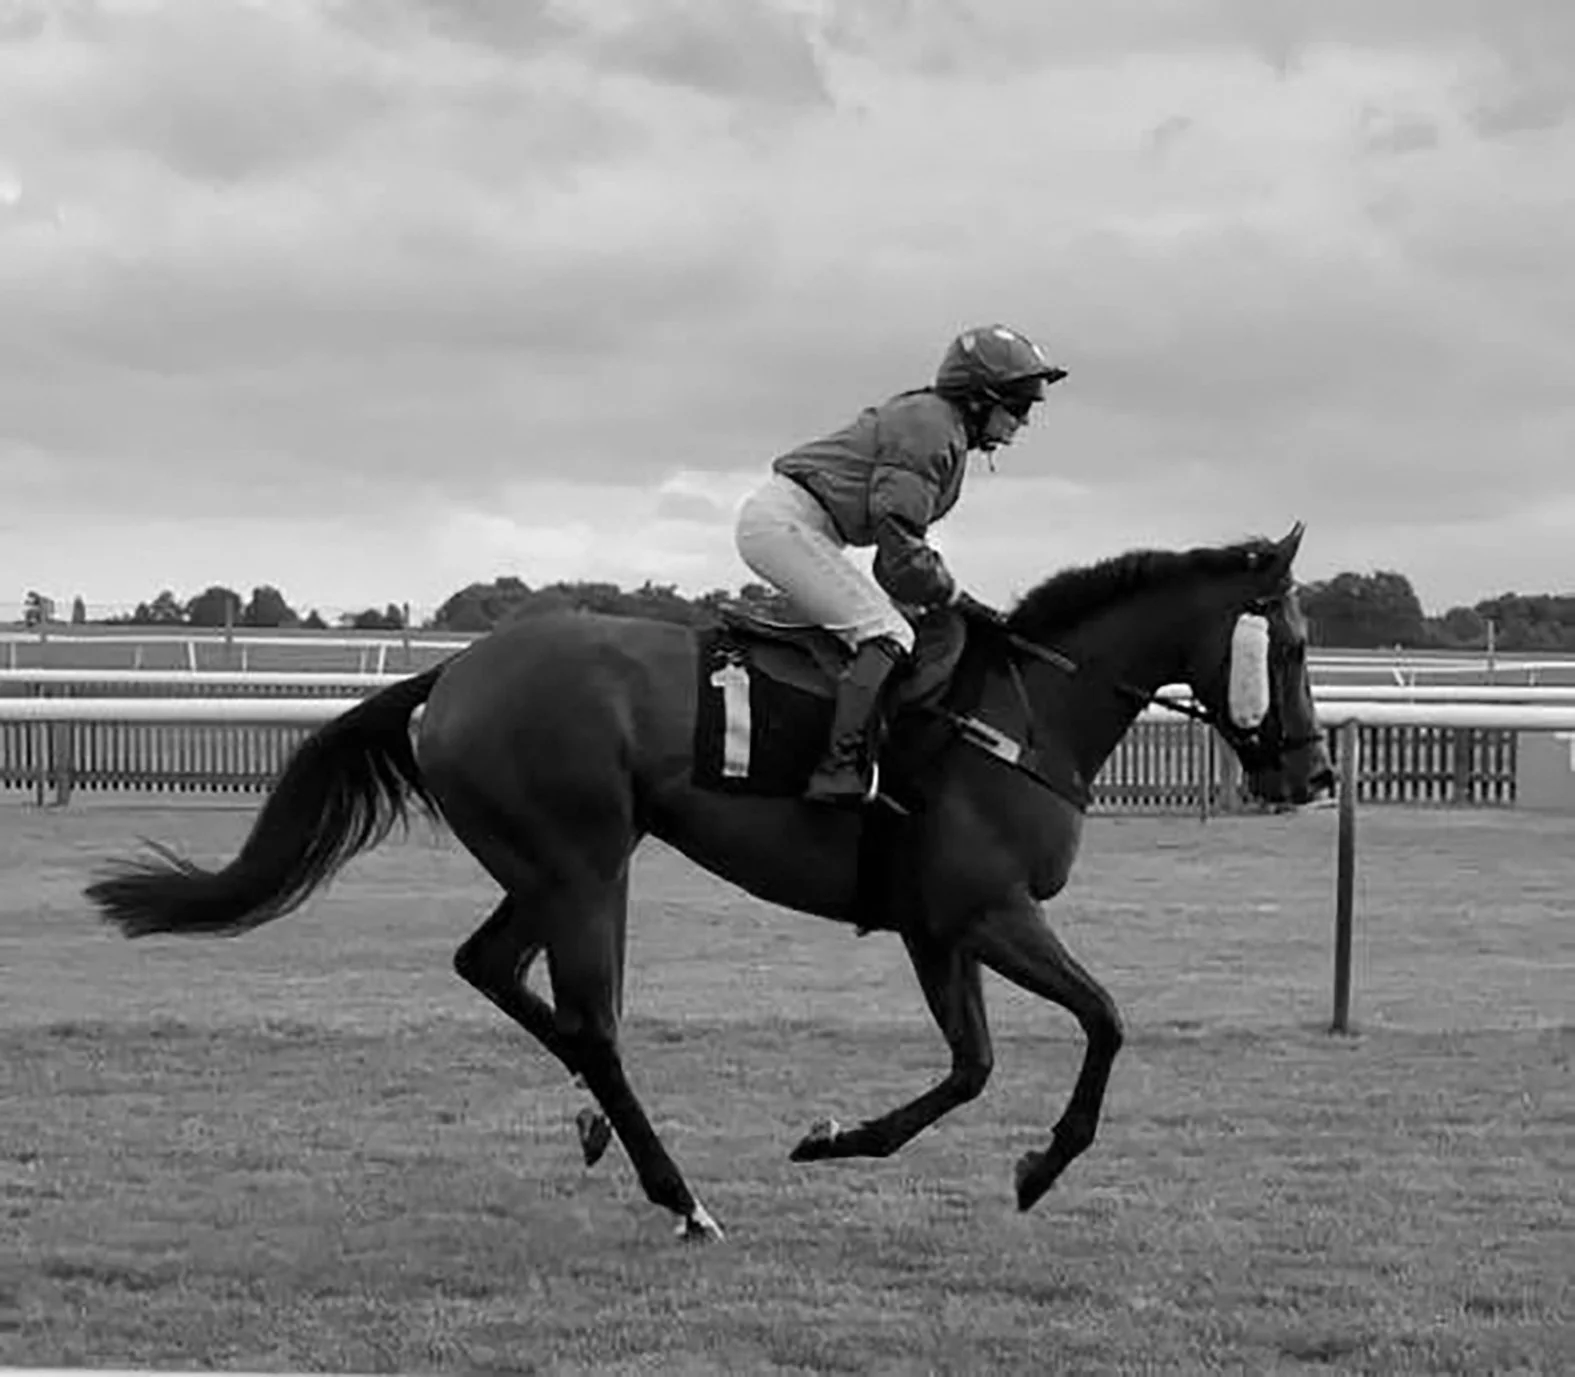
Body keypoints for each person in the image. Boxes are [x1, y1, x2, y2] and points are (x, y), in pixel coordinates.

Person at [733, 323, 1067, 805]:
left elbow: (897, 565)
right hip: (786, 525)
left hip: (801, 526)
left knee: (900, 626)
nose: (1024, 421)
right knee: (889, 634)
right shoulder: (932, 429)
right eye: (1017, 406)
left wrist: (940, 597)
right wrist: (956, 596)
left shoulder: (940, 426)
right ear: (979, 398)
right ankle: (839, 769)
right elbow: (901, 549)